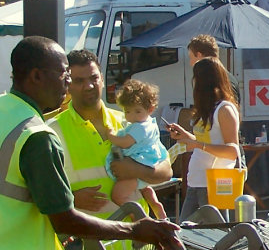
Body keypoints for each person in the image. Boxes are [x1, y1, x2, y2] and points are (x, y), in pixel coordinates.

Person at [0, 36, 183, 249]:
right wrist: (134, 230)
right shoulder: (39, 135)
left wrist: (138, 171)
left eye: (93, 78)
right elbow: (64, 220)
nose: (69, 82)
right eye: (65, 75)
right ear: (36, 76)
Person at [47, 49, 174, 220]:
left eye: (93, 78)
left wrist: (136, 169)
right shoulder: (53, 131)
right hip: (88, 235)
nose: (89, 86)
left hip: (137, 234)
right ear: (68, 84)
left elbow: (166, 171)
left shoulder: (129, 121)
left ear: (102, 79)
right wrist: (72, 198)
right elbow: (36, 191)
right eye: (79, 81)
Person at [168, 57, 241, 219]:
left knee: (214, 232)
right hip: (196, 181)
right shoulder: (207, 108)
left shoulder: (225, 109)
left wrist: (196, 144)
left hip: (213, 184)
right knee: (185, 230)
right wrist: (185, 135)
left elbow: (232, 151)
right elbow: (206, 141)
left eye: (196, 78)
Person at [94, 80, 168, 219]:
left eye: (137, 111)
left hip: (135, 168)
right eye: (127, 111)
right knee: (145, 189)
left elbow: (125, 143)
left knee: (118, 196)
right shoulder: (149, 123)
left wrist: (111, 135)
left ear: (150, 109)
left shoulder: (140, 127)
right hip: (146, 164)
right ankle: (157, 206)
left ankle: (139, 217)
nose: (132, 116)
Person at [188, 34, 240, 102]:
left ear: (199, 55)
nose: (191, 63)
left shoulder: (216, 81)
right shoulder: (228, 78)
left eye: (191, 58)